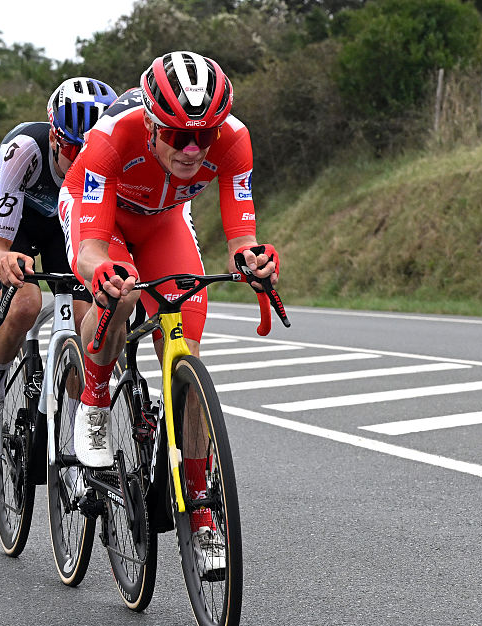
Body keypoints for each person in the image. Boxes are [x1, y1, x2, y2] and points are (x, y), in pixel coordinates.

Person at [58, 51, 280, 575]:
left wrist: (253, 261)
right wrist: (102, 276)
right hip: (102, 221)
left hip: (163, 224)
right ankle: (93, 397)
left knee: (187, 352)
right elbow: (89, 248)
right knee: (123, 292)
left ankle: (201, 513)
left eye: (202, 137)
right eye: (178, 135)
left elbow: (241, 234)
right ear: (153, 123)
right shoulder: (113, 138)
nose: (191, 149)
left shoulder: (232, 141)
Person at [0, 77, 118, 465]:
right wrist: (4, 260)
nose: (82, 157)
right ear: (54, 137)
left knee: (88, 324)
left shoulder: (103, 169)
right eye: (72, 147)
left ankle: (71, 438)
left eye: (92, 148)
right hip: (16, 221)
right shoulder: (24, 152)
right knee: (25, 303)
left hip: (63, 225)